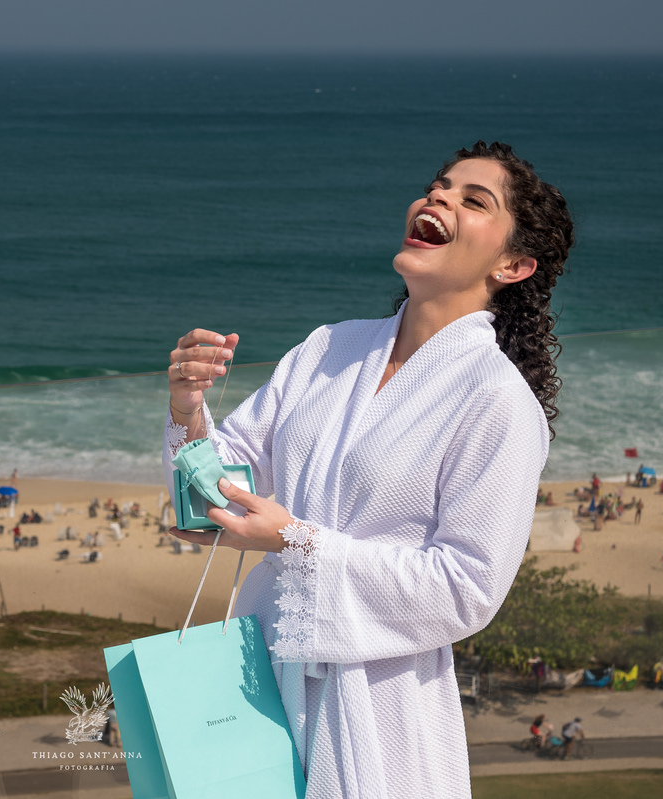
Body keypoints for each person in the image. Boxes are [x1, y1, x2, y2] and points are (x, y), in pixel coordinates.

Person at [165, 141, 573, 797]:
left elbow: (468, 587)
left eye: (473, 200)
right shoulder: (329, 347)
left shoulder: (497, 400)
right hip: (261, 673)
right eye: (439, 185)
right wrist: (188, 411)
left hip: (379, 705)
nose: (438, 197)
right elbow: (225, 489)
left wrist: (294, 541)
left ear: (513, 265)